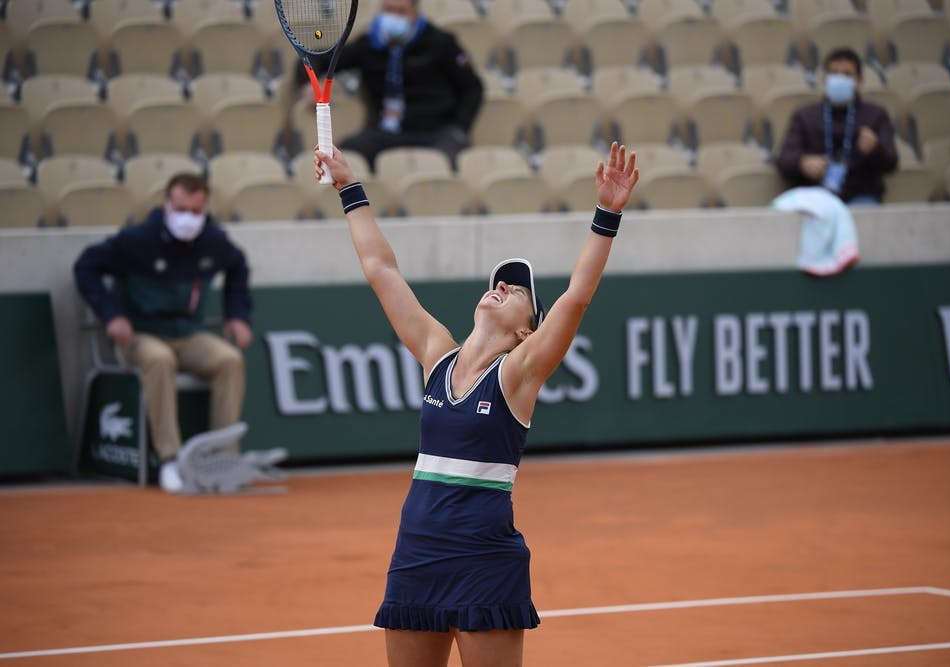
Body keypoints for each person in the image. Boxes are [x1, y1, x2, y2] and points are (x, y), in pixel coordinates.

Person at [314, 141, 638, 667]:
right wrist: (349, 187)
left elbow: (577, 295)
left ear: (527, 330)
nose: (502, 286)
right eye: (498, 283)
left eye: (515, 291)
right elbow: (381, 270)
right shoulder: (436, 354)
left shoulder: (518, 374)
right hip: (416, 553)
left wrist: (608, 213)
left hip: (484, 560)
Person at [73, 173, 253, 492]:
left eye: (196, 212)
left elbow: (238, 267)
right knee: (159, 359)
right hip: (141, 335)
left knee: (229, 359)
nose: (189, 218)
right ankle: (170, 460)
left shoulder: (213, 240)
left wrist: (237, 316)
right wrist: (110, 315)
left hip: (188, 333)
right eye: (181, 209)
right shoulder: (137, 240)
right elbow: (85, 266)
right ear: (167, 204)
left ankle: (220, 460)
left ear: (205, 209)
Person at [313, 0, 483, 170]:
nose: (394, 17)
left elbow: (472, 88)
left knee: (448, 157)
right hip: (384, 132)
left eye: (401, 11)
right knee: (346, 157)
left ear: (415, 12)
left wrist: (459, 127)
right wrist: (310, 83)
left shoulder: (440, 42)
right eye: (389, 10)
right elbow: (317, 59)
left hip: (434, 131)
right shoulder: (369, 44)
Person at [776, 47, 898, 205]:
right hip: (816, 195)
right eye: (834, 73)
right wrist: (802, 162)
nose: (840, 78)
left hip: (860, 195)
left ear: (859, 80)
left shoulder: (875, 115)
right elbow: (784, 159)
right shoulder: (805, 116)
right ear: (825, 79)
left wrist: (875, 149)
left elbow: (891, 163)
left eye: (847, 75)